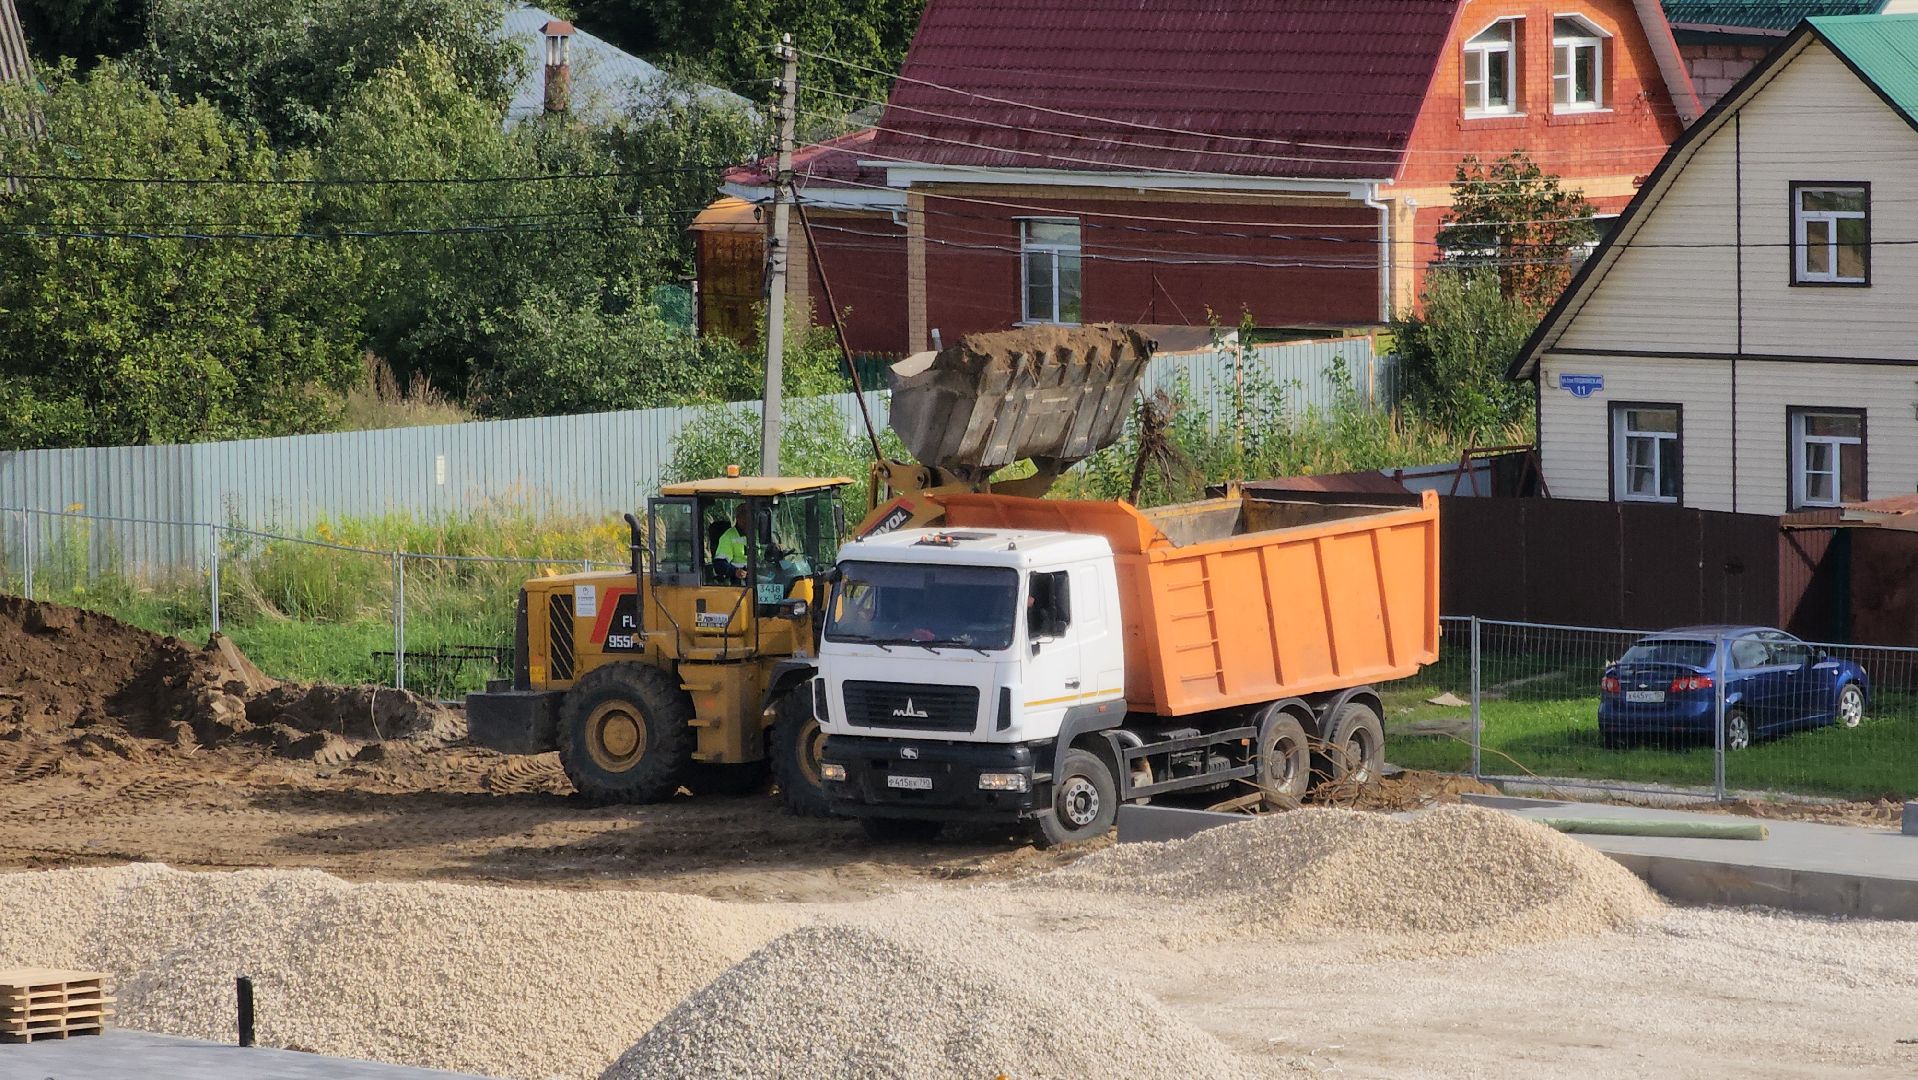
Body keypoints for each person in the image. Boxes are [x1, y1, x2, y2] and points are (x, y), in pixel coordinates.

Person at [713, 507, 751, 582]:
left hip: (757, 575)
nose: (748, 521)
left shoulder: (757, 534)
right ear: (738, 518)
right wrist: (735, 572)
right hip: (739, 581)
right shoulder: (728, 537)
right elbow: (720, 564)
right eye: (745, 518)